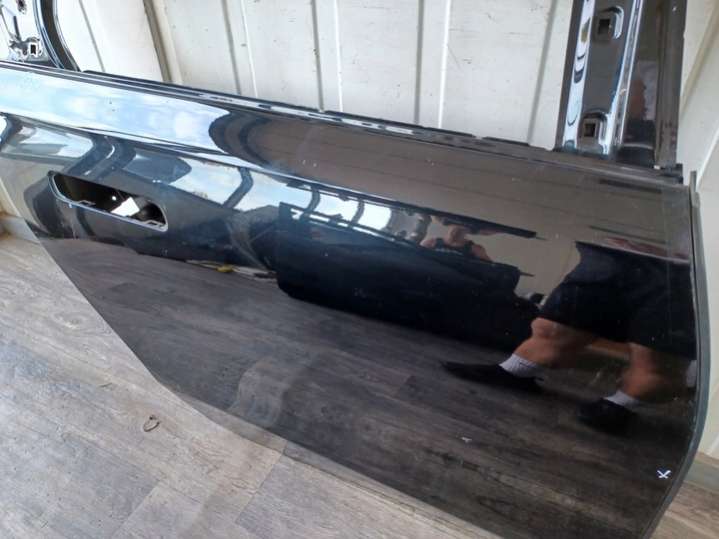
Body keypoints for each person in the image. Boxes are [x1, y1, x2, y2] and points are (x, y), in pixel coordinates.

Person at [442, 241, 696, 434]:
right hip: (610, 254)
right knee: (550, 329)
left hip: (683, 273)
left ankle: (623, 405)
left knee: (656, 363)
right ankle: (516, 372)